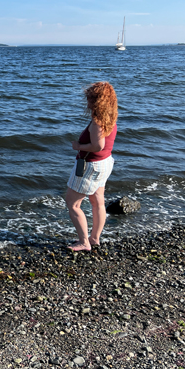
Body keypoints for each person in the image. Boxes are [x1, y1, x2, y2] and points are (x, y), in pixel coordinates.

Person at [65, 82, 118, 251]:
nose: (86, 101)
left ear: (98, 101)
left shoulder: (97, 121)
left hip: (91, 165)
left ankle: (83, 242)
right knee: (97, 202)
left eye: (89, 97)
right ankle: (94, 238)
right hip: (105, 163)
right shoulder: (111, 116)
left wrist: (78, 146)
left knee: (73, 204)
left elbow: (97, 146)